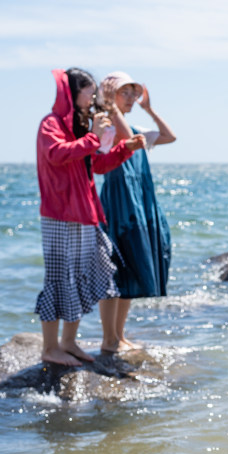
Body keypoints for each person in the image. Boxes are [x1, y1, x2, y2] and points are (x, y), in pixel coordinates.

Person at [35, 68, 145, 366]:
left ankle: (68, 342)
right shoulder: (51, 124)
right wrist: (93, 136)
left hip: (85, 212)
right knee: (60, 278)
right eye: (89, 91)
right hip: (60, 213)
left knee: (93, 272)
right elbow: (57, 154)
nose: (94, 97)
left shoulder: (79, 125)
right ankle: (49, 347)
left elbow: (96, 165)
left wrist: (125, 148)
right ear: (71, 93)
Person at [97, 71, 177, 353]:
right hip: (118, 204)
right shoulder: (107, 126)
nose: (131, 98)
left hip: (140, 205)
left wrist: (149, 108)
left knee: (131, 268)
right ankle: (108, 339)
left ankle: (119, 335)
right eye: (125, 93)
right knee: (113, 272)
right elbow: (124, 137)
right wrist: (108, 105)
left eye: (134, 93)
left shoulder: (137, 128)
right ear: (110, 96)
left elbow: (170, 136)